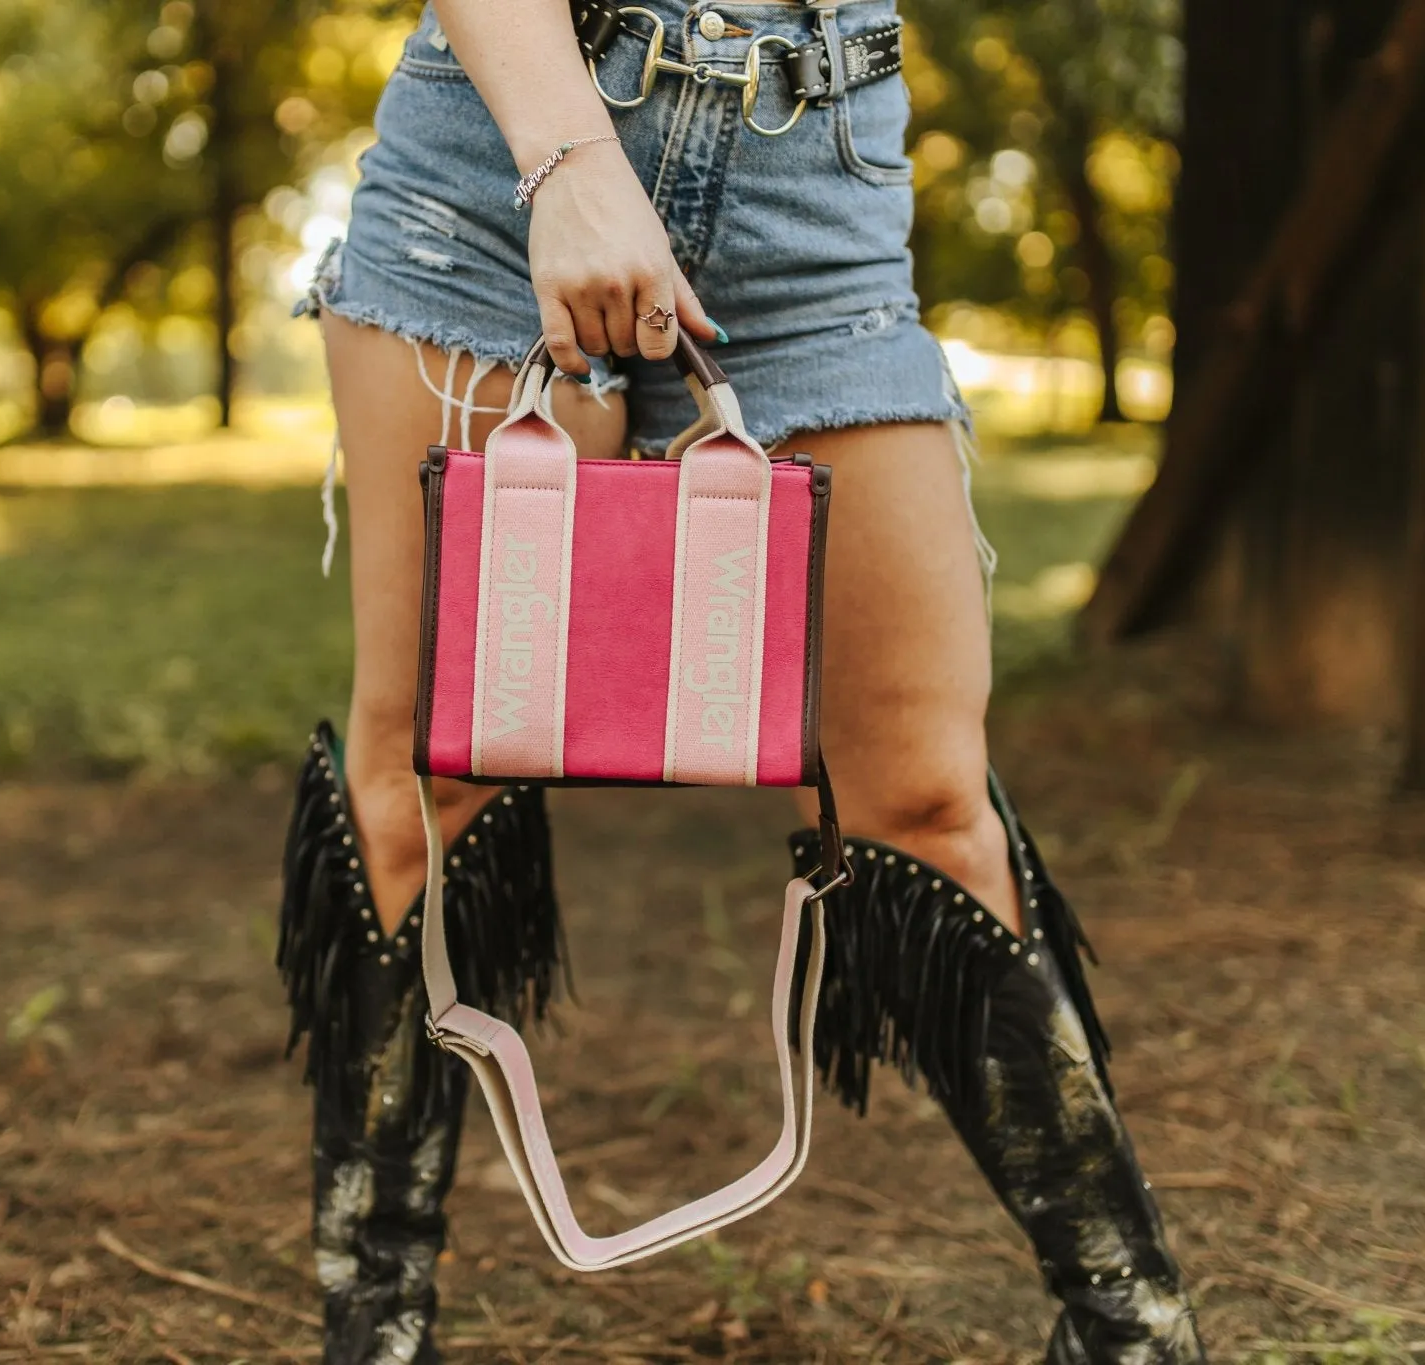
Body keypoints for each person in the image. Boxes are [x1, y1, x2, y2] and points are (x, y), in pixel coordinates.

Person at [276, 0, 1209, 1360]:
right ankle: (378, 1331)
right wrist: (571, 163)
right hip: (505, 161)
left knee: (931, 797)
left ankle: (1132, 1326)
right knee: (434, 775)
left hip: (814, 187)